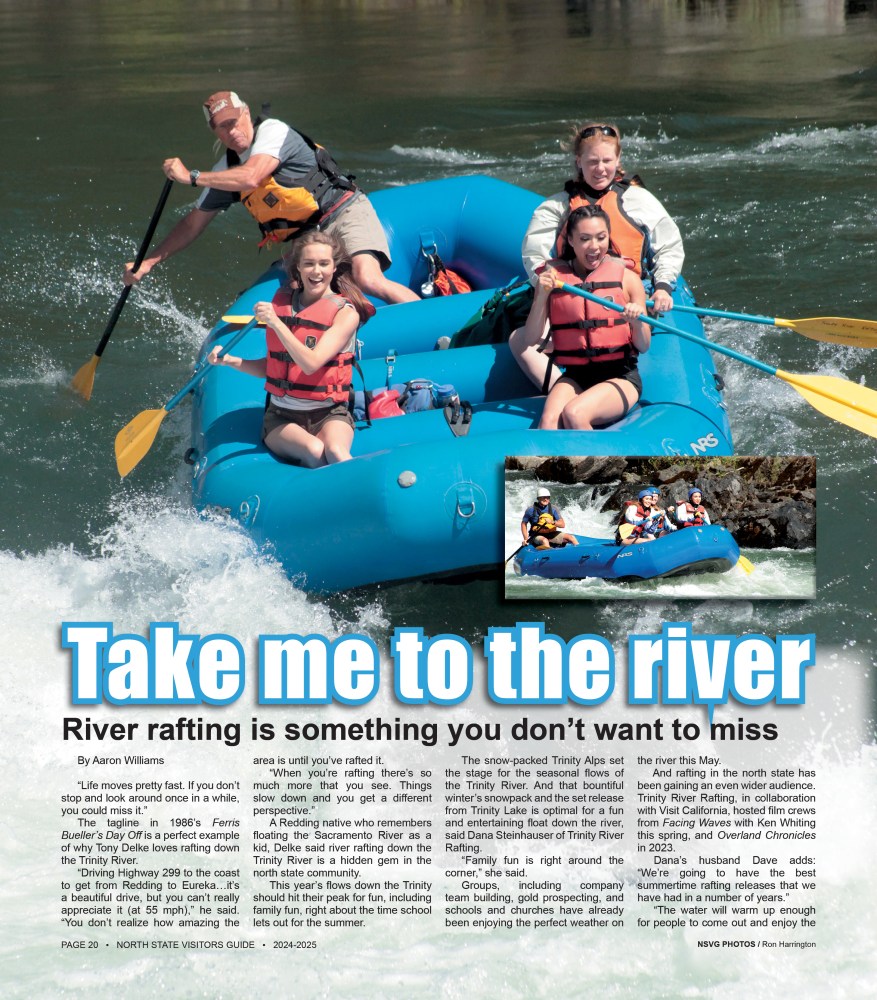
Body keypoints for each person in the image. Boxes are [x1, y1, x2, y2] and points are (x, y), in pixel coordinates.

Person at [125, 91, 418, 305]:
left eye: (235, 120)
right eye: (223, 126)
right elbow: (193, 224)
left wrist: (190, 176)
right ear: (214, 131)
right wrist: (148, 262)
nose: (233, 130)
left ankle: (436, 325)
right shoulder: (224, 172)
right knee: (296, 292)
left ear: (246, 112)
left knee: (367, 279)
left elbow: (252, 176)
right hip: (308, 237)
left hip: (343, 212)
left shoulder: (273, 131)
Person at [512, 120, 684, 388]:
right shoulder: (557, 206)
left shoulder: (638, 200)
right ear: (579, 161)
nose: (600, 169)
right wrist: (545, 284)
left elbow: (668, 245)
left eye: (607, 160)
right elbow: (533, 253)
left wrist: (662, 288)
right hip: (573, 296)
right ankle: (564, 388)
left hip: (625, 298)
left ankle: (589, 391)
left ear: (618, 160)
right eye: (592, 161)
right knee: (518, 341)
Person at [208, 231, 372, 467]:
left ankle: (357, 496)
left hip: (330, 414)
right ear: (299, 268)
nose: (317, 271)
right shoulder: (283, 304)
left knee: (337, 453)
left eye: (324, 264)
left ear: (334, 267)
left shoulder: (346, 314)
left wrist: (275, 322)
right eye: (309, 264)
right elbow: (274, 368)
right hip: (281, 417)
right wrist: (229, 360)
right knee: (315, 451)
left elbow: (311, 363)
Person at [519, 205, 649, 430]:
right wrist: (541, 295)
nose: (594, 247)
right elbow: (530, 339)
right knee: (549, 422)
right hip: (577, 376)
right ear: (570, 240)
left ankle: (600, 465)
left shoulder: (628, 279)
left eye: (601, 238)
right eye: (585, 239)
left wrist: (636, 321)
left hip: (621, 376)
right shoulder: (554, 280)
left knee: (574, 413)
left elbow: (644, 345)